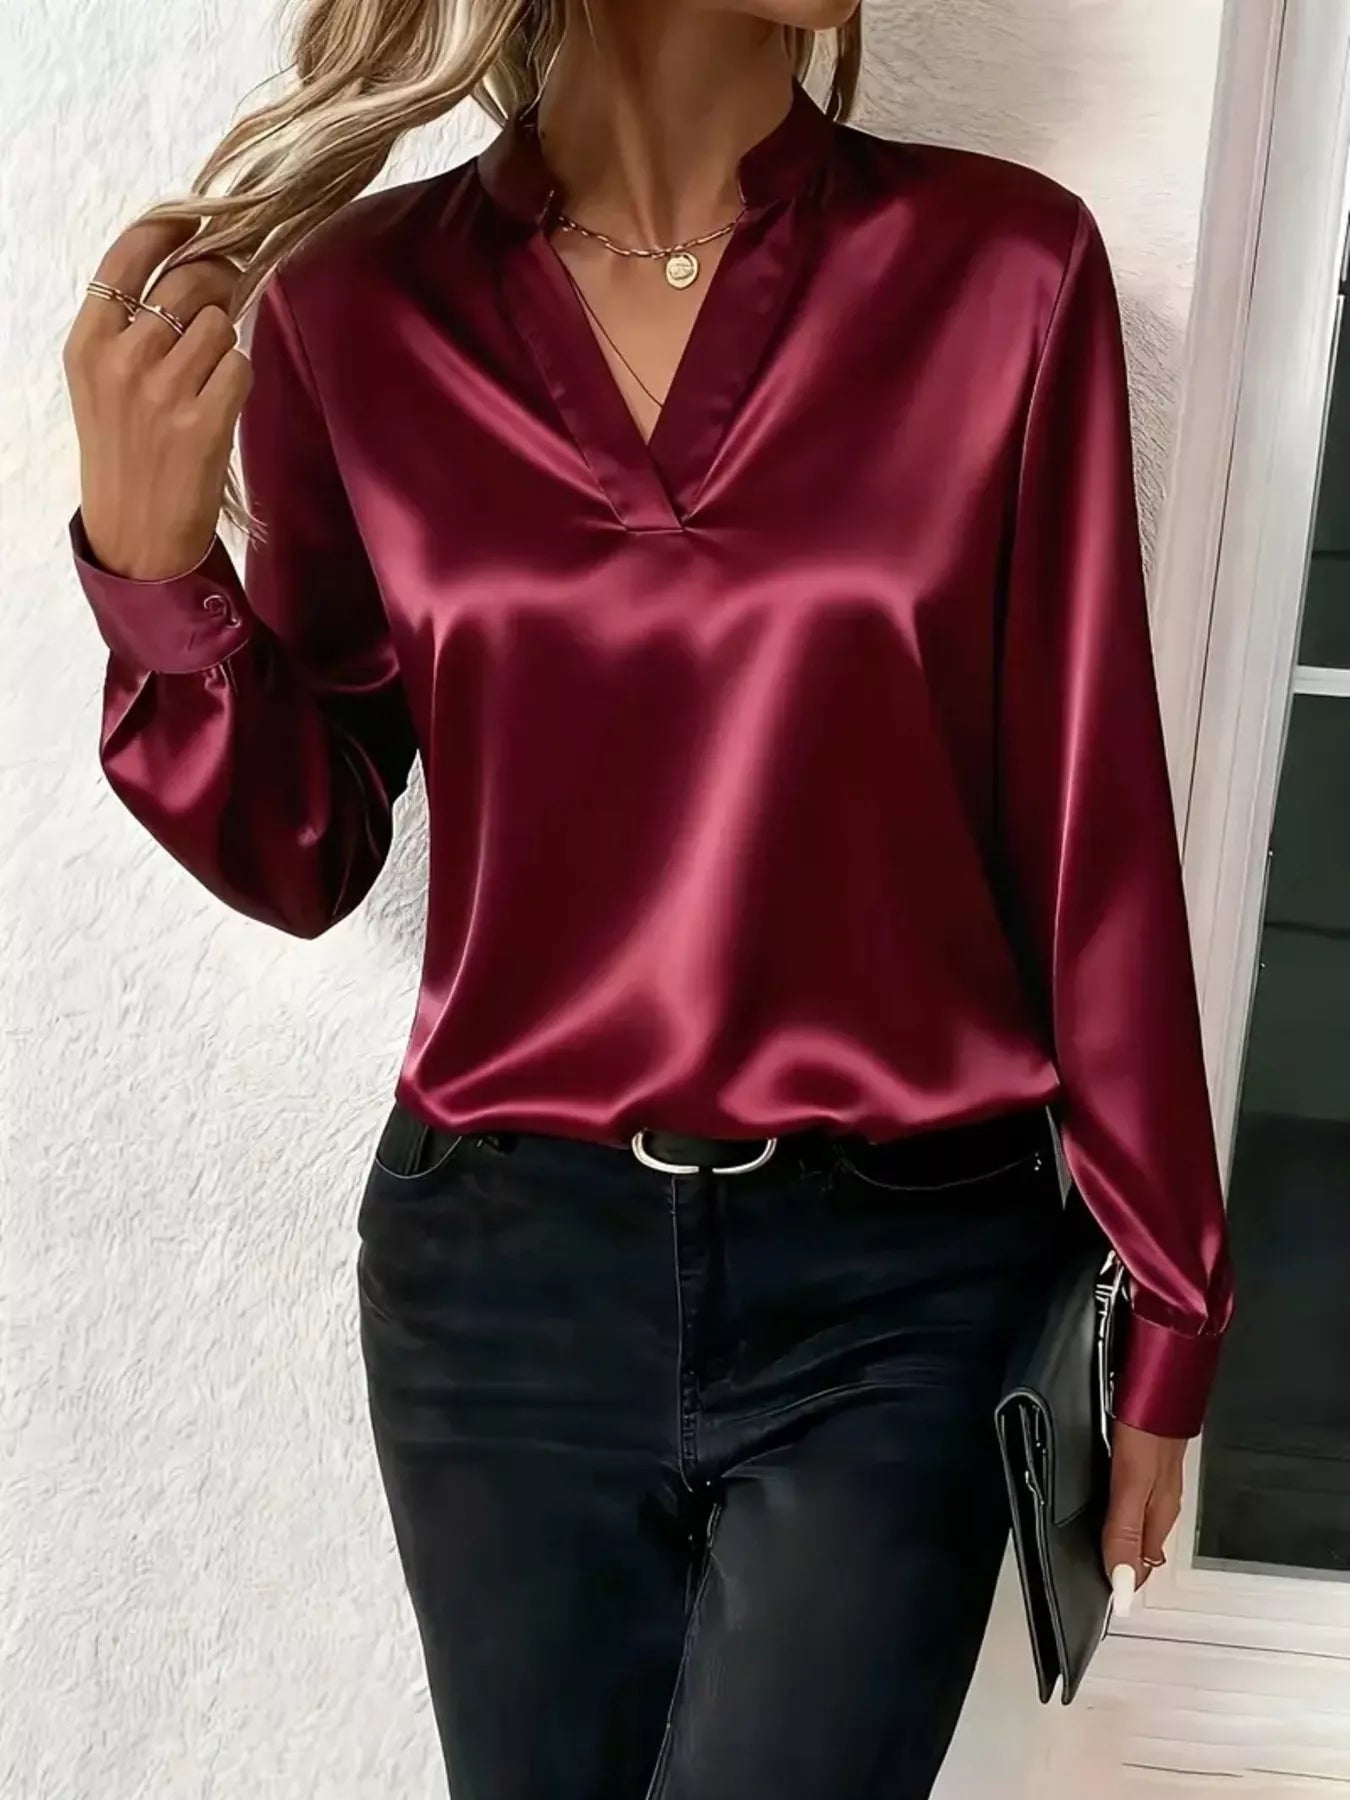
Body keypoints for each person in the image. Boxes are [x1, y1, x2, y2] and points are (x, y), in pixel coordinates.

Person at [61, 2, 1235, 1794]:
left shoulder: (1003, 275)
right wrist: (157, 579)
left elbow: (1089, 827)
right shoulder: (353, 311)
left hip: (898, 1287)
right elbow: (306, 851)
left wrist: (1169, 1291)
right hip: (501, 1286)